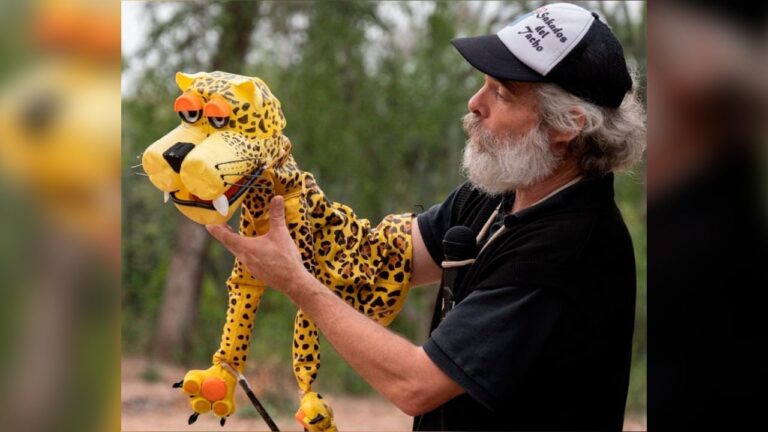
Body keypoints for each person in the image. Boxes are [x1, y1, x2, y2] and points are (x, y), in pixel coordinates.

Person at [207, 3, 645, 431]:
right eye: (483, 84)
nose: (475, 103)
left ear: (566, 125)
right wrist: (277, 177)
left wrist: (296, 282)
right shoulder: (496, 194)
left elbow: (415, 383)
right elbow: (374, 259)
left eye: (501, 93)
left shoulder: (571, 249)